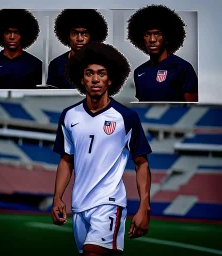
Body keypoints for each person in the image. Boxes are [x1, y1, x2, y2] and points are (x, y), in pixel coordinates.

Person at [51, 42, 152, 255]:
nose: (95, 79)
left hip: (109, 202)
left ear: (111, 79)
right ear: (81, 78)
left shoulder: (126, 117)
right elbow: (66, 160)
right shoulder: (69, 116)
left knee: (93, 252)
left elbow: (141, 163)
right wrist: (58, 197)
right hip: (79, 206)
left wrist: (144, 206)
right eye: (89, 73)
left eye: (101, 73)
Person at [127, 5, 198, 102]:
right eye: (147, 34)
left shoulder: (182, 67)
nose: (152, 40)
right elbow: (143, 106)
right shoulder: (139, 72)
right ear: (140, 38)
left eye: (157, 34)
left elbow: (193, 109)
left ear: (167, 37)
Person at [0, 9, 42, 89]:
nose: (12, 37)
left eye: (17, 32)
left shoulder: (35, 64)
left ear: (24, 35)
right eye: (7, 32)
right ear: (0, 34)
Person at [46, 9, 108, 89]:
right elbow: (51, 96)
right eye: (74, 33)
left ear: (92, 36)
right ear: (67, 36)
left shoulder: (102, 62)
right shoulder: (57, 64)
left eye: (84, 33)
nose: (80, 38)